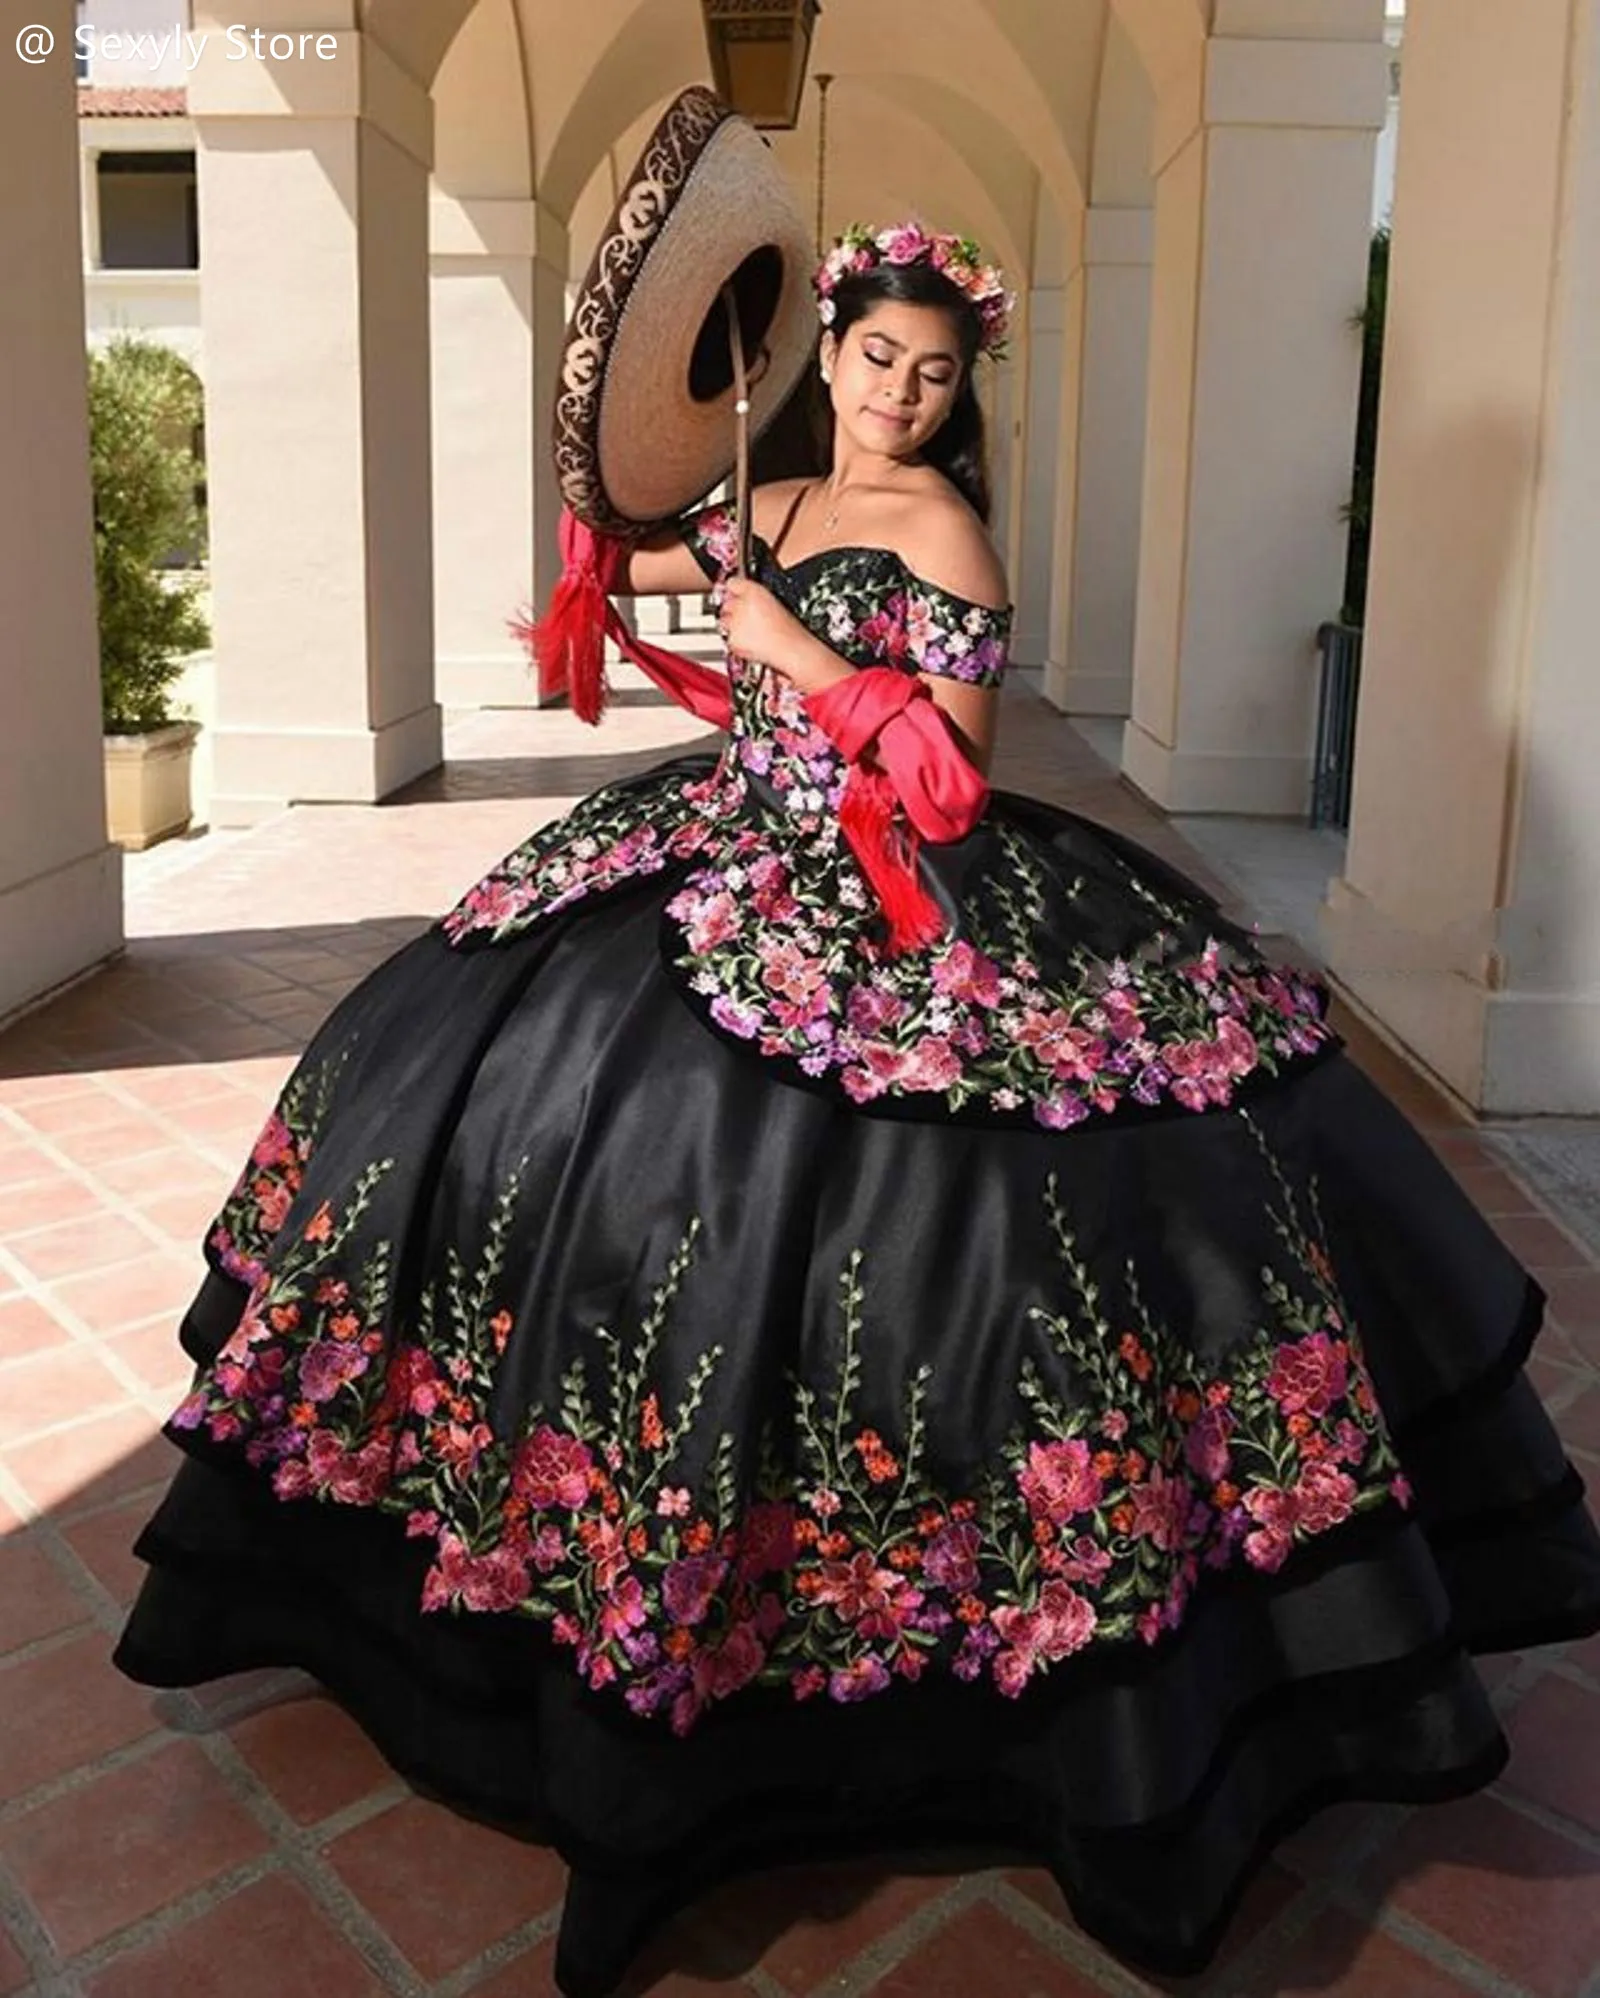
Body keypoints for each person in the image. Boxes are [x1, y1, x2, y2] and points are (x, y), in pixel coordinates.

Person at [114, 223, 1600, 1998]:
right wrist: (613, 473)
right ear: (825, 358)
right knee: (491, 1092)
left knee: (958, 1216)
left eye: (934, 371)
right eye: (878, 358)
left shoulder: (946, 532)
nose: (900, 391)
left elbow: (953, 773)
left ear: (961, 393)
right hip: (712, 842)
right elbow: (615, 541)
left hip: (896, 887)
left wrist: (799, 657)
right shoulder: (773, 500)